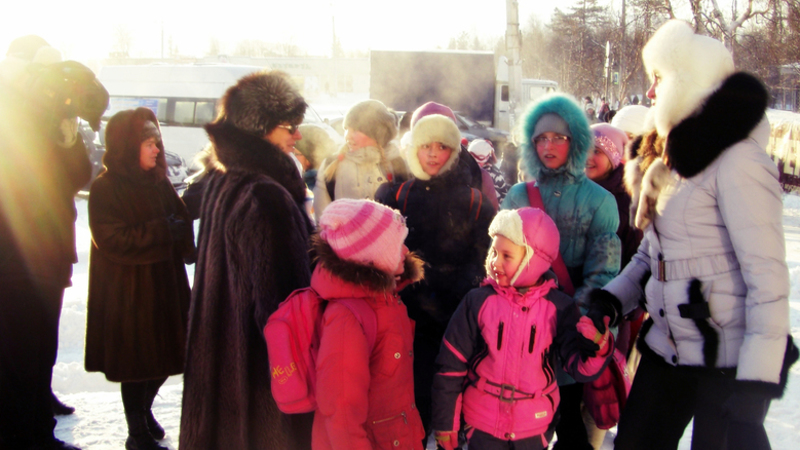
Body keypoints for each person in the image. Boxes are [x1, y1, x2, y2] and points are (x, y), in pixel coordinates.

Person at [587, 20, 799, 450]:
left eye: (659, 79)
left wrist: (757, 380)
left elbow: (767, 276)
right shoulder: (670, 159)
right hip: (667, 346)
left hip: (726, 358)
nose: (650, 93)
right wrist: (611, 300)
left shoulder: (738, 161)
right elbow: (652, 256)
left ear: (689, 83)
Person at [179, 71, 315, 450]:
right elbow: (286, 311)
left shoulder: (222, 180)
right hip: (257, 381)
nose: (297, 136)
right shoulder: (265, 195)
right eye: (289, 126)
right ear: (261, 128)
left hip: (218, 365)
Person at [0, 35, 107, 450]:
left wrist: (65, 132)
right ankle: (25, 434)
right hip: (15, 256)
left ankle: (34, 424)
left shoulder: (54, 115)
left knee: (39, 346)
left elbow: (77, 176)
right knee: (20, 349)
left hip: (48, 252)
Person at [431, 207, 614, 450]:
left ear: (533, 259)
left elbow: (578, 367)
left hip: (533, 427)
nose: (495, 262)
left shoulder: (559, 308)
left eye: (507, 256)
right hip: (482, 424)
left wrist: (596, 348)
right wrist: (446, 423)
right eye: (494, 252)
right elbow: (451, 365)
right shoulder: (477, 301)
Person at [501, 93, 621, 450]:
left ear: (577, 141)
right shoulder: (518, 195)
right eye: (540, 138)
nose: (548, 146)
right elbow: (500, 260)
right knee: (516, 423)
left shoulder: (600, 200)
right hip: (521, 329)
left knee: (568, 418)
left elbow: (603, 272)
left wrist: (573, 322)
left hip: (569, 328)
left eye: (558, 137)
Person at [375, 113, 496, 441]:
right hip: (404, 318)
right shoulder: (395, 196)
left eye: (441, 147)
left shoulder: (474, 201)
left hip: (454, 320)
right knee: (408, 402)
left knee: (449, 403)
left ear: (453, 152)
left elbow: (485, 257)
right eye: (425, 145)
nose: (432, 153)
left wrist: (460, 291)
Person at [84, 108, 194, 450]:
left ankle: (144, 412)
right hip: (129, 292)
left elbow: (179, 215)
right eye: (149, 144)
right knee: (136, 365)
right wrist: (162, 230)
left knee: (166, 359)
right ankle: (137, 432)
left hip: (165, 285)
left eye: (156, 142)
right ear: (128, 147)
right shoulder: (106, 187)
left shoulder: (157, 181)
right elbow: (112, 239)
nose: (157, 150)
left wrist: (183, 233)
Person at [310, 199, 426, 449]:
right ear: (373, 258)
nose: (406, 251)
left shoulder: (387, 300)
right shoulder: (347, 318)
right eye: (397, 246)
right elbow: (341, 412)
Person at [314, 99, 409, 220]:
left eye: (355, 130)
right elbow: (322, 220)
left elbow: (407, 216)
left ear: (377, 133)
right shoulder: (332, 165)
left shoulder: (398, 165)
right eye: (346, 129)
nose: (348, 136)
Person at [294, 123, 338, 190]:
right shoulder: (334, 178)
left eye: (295, 154)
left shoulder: (309, 188)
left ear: (309, 159)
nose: (291, 157)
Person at [468, 139, 511, 204]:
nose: (476, 164)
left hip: (489, 207)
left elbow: (501, 197)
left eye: (479, 161)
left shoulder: (493, 173)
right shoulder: (465, 169)